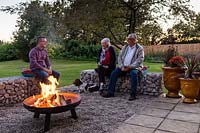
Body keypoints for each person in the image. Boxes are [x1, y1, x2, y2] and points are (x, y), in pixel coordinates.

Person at [102, 33, 144, 101]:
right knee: (114, 73)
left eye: (131, 39)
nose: (129, 41)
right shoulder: (125, 47)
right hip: (123, 67)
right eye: (128, 39)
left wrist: (130, 67)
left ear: (135, 40)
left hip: (133, 67)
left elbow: (139, 60)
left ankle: (133, 95)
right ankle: (110, 92)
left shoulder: (139, 48)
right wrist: (121, 66)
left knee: (134, 74)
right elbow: (120, 57)